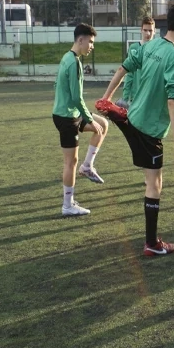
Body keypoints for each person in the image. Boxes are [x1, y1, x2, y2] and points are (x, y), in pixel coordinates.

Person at [95, 2, 174, 256]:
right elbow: (173, 100)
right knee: (155, 184)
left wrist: (107, 98)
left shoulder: (149, 45)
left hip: (133, 119)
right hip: (149, 131)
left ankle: (116, 113)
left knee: (149, 180)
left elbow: (123, 68)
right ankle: (152, 244)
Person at [52, 23, 109, 216]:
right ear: (80, 40)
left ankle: (88, 166)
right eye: (90, 42)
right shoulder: (73, 62)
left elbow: (57, 84)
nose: (92, 46)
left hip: (71, 114)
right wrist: (88, 119)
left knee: (103, 124)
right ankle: (67, 205)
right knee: (70, 162)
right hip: (66, 117)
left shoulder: (68, 57)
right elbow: (77, 98)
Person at [117, 16, 155, 109]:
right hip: (136, 96)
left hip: (153, 96)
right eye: (145, 30)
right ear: (141, 30)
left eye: (150, 30)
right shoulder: (133, 48)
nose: (148, 33)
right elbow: (129, 74)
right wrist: (125, 98)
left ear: (155, 31)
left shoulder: (158, 49)